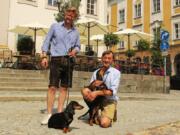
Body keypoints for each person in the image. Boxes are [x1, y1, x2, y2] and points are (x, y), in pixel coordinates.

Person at [40, 7, 80, 125]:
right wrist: (43, 56)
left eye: (72, 16)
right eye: (68, 14)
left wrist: (75, 51)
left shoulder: (76, 31)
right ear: (64, 15)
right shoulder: (55, 26)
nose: (69, 17)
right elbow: (47, 41)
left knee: (64, 88)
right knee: (52, 87)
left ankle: (60, 112)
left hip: (68, 61)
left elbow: (78, 46)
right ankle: (49, 114)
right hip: (56, 59)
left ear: (74, 17)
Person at [81, 50, 121, 128]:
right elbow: (90, 88)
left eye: (109, 58)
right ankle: (95, 111)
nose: (106, 60)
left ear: (112, 60)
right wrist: (93, 84)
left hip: (109, 100)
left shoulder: (116, 73)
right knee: (84, 90)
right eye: (105, 58)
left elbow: (112, 92)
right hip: (97, 100)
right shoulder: (96, 72)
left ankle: (104, 115)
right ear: (102, 59)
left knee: (104, 124)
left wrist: (97, 93)